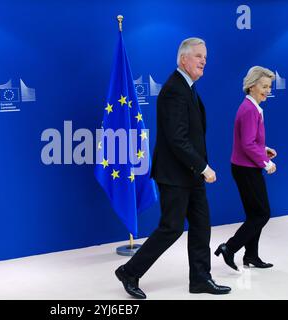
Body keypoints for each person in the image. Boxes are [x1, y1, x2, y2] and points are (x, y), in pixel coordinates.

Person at [115, 37, 231, 298]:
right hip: (176, 175)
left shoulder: (188, 87)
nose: (204, 60)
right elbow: (176, 138)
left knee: (201, 226)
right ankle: (129, 271)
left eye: (206, 56)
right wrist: (203, 167)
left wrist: (199, 169)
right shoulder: (173, 89)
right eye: (199, 56)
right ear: (183, 59)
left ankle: (201, 279)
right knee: (172, 227)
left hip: (191, 174)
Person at [215, 66, 276, 270]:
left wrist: (264, 149)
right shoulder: (249, 109)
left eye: (269, 86)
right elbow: (247, 144)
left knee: (254, 214)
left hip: (245, 167)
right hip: (246, 169)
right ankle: (229, 248)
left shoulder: (251, 107)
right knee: (262, 214)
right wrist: (266, 163)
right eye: (264, 86)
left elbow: (249, 141)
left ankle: (251, 256)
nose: (268, 90)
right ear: (251, 86)